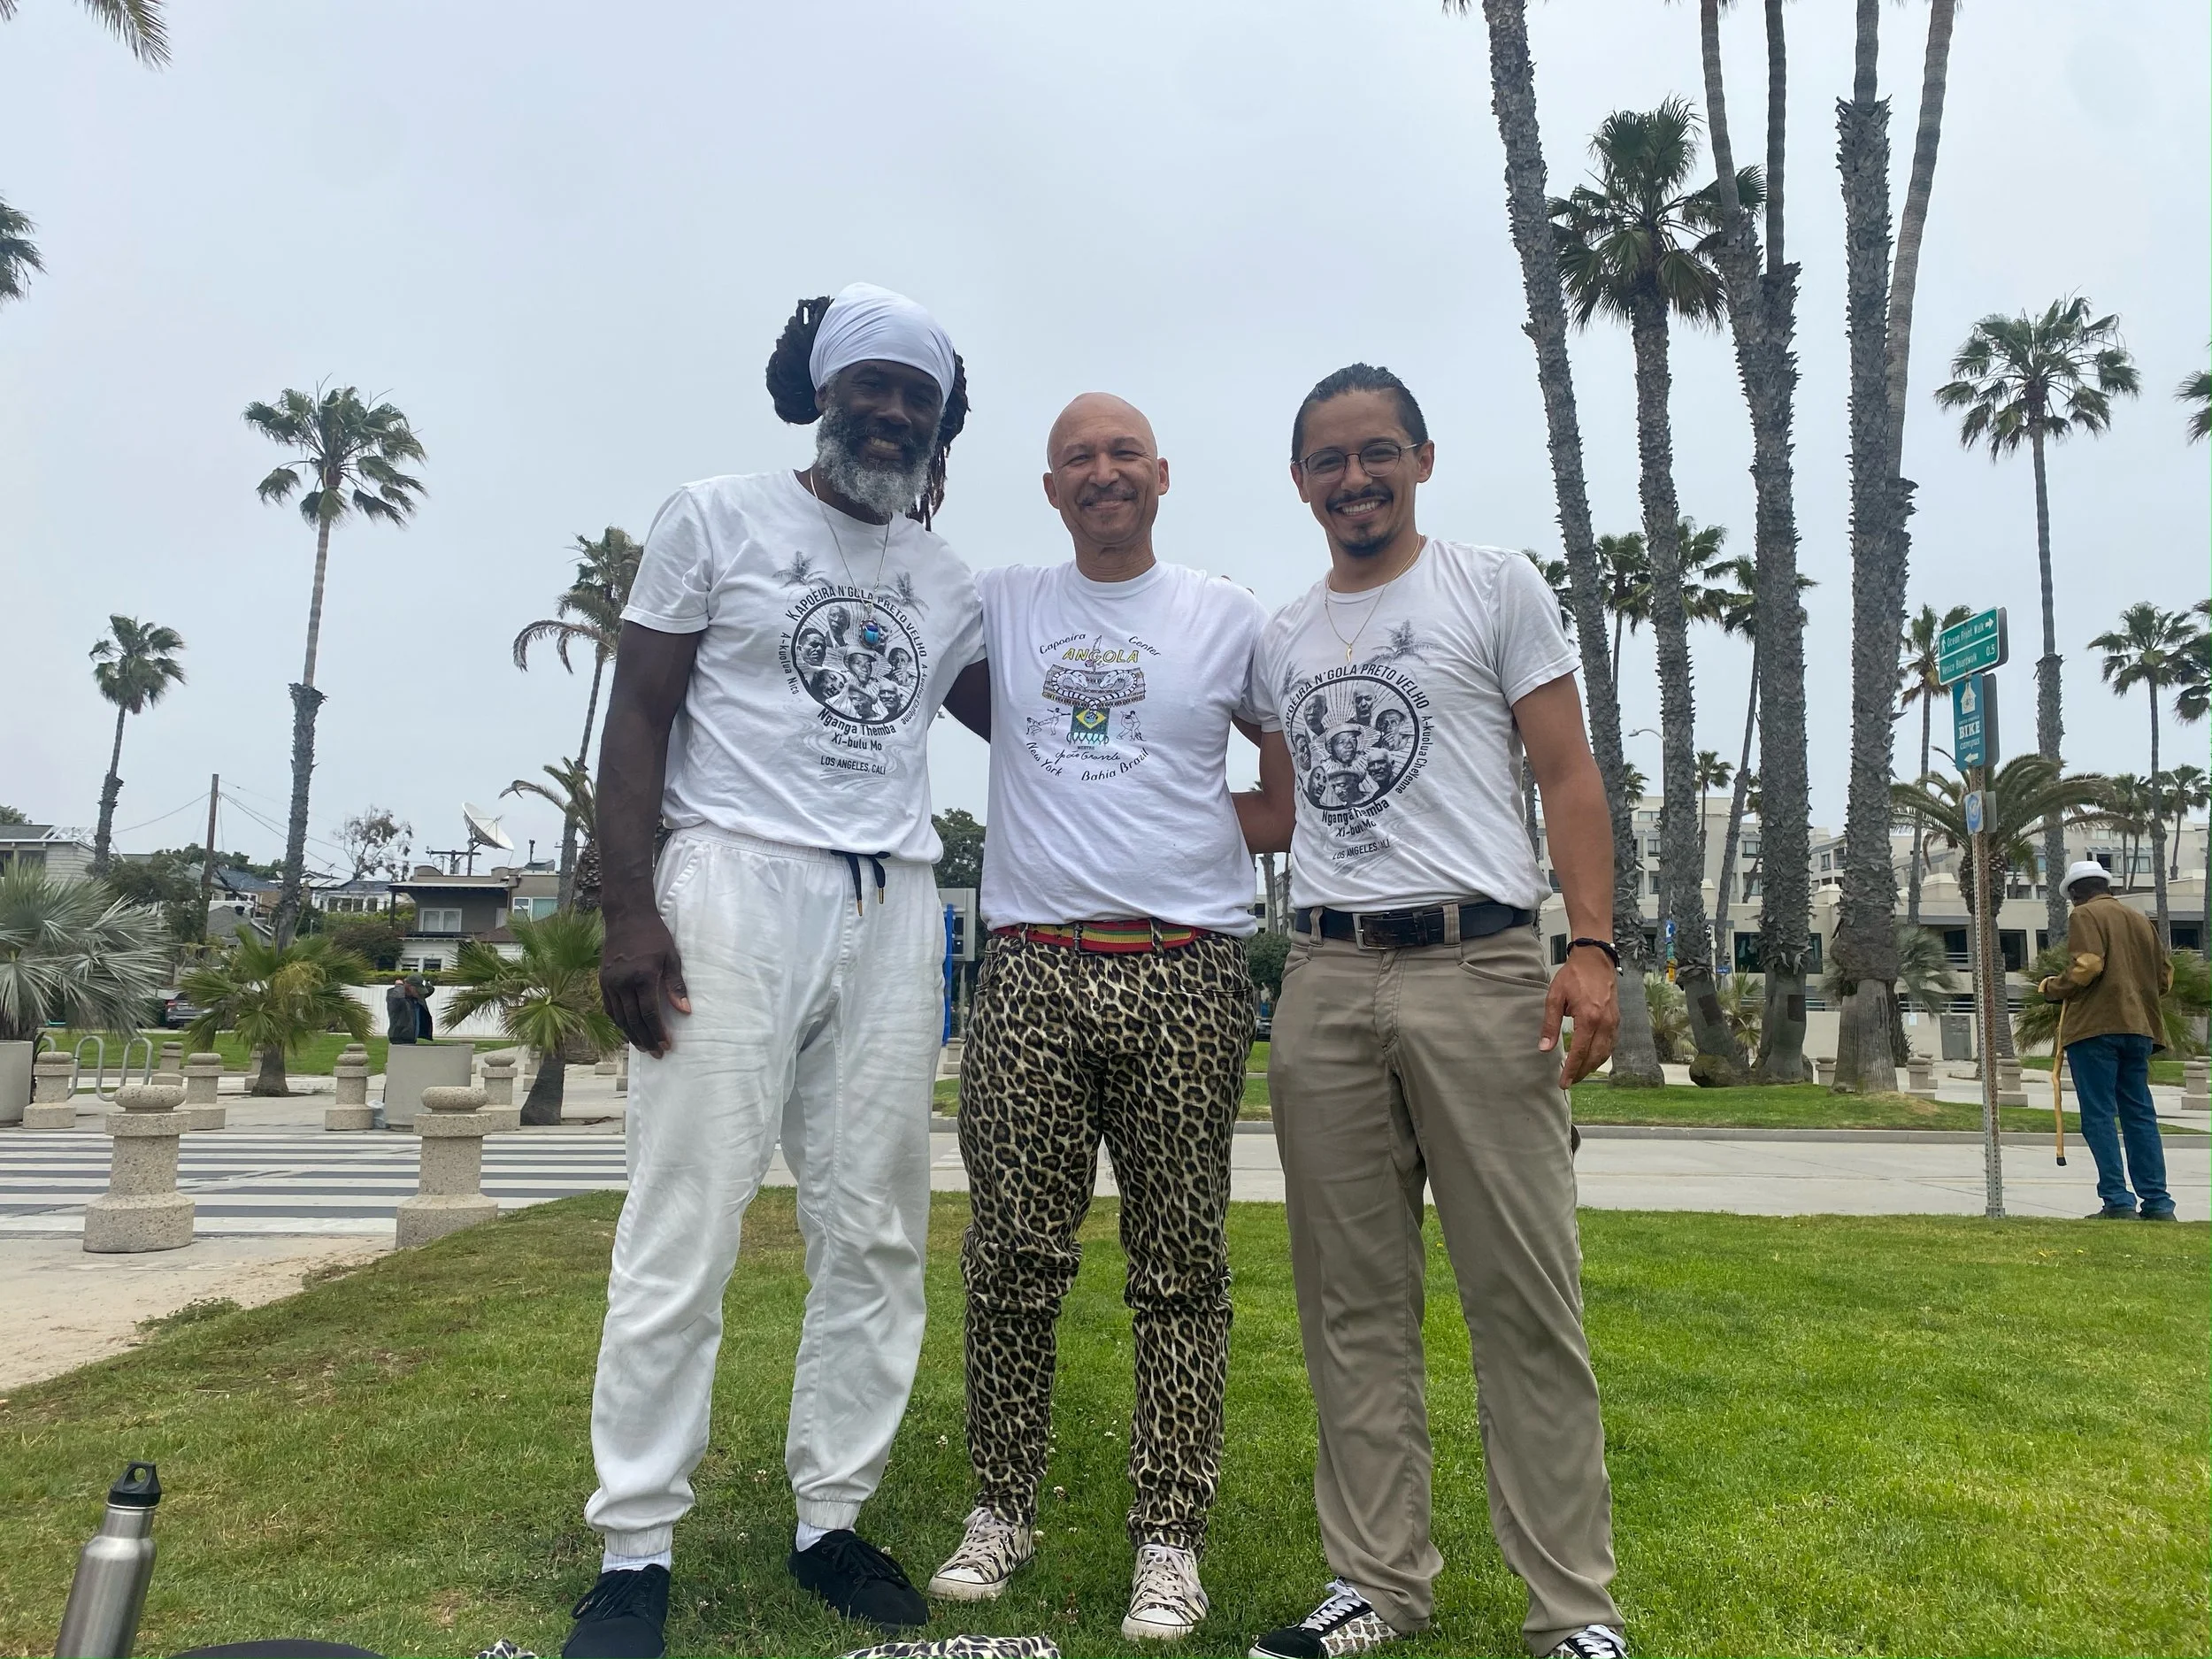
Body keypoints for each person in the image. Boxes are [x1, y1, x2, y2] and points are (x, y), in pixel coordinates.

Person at [562, 284, 983, 1659]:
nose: (890, 410)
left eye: (916, 397)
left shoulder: (948, 580)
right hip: (733, 882)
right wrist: (630, 909)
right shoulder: (716, 515)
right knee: (687, 1215)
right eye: (867, 384)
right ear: (817, 389)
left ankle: (832, 1514)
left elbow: (1051, 718)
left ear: (938, 426)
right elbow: (638, 711)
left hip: (894, 899)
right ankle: (636, 1542)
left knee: (875, 1227)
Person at [1238, 365, 1628, 1659]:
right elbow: (1280, 812)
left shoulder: (1492, 585)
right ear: (1300, 481)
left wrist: (1592, 945)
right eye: (1329, 460)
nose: (1356, 477)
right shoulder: (1282, 634)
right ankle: (1375, 1584)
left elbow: (1568, 773)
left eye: (1378, 451)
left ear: (1422, 456)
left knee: (1522, 1294)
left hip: (1482, 963)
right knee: (1352, 1301)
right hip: (1327, 978)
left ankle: (1572, 1607)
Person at [924, 394, 1267, 1642]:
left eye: (1125, 453)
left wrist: (1197, 839)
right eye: (1081, 457)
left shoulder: (1223, 614)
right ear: (1052, 485)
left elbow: (1285, 776)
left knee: (1182, 1268)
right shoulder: (1006, 601)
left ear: (1163, 475)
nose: (1105, 472)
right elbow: (909, 593)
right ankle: (1000, 1506)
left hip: (1186, 970)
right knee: (1013, 1257)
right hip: (1031, 973)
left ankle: (1169, 1537)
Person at [2040, 860, 2177, 1221]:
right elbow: (2165, 979)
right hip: (2140, 1028)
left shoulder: (2085, 915)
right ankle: (2158, 1203)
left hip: (2096, 1029)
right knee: (2139, 1116)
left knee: (2099, 1115)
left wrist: (2054, 987)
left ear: (2076, 893)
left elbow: (2087, 965)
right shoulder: (2140, 921)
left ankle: (2117, 1200)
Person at [385, 975, 417, 1045]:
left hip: (410, 1037)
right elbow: (397, 998)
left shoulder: (412, 998)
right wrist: (400, 985)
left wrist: (421, 981)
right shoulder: (393, 996)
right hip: (398, 1036)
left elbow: (430, 989)